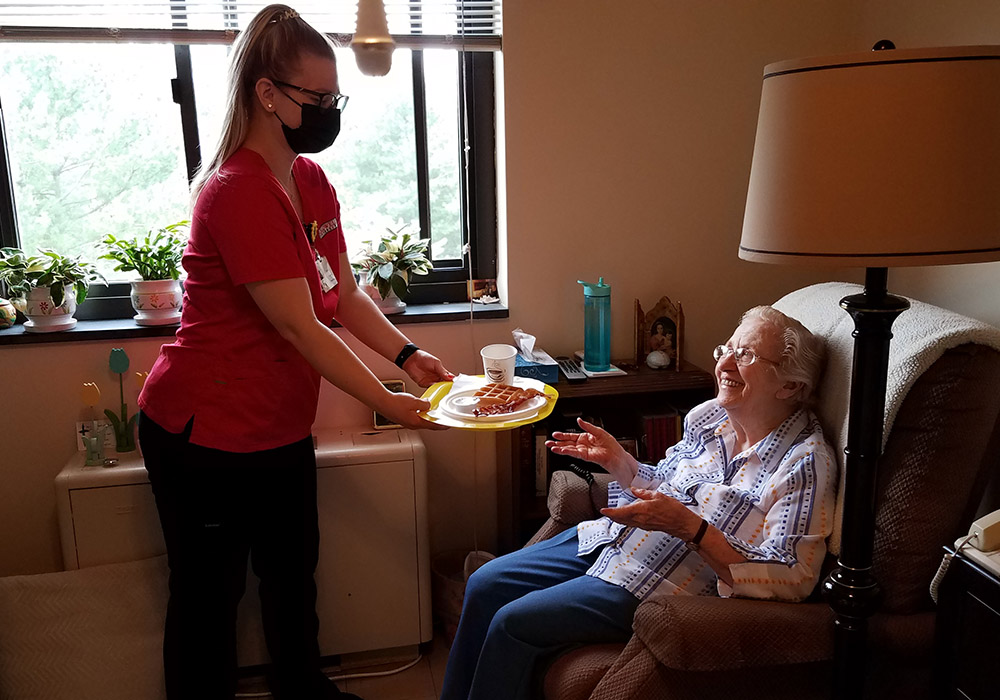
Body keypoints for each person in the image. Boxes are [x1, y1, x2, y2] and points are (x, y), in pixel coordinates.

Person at [136, 6, 452, 700]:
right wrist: (391, 405)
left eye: (335, 99)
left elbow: (342, 296)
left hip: (276, 427)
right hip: (204, 432)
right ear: (268, 93)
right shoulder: (237, 192)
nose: (328, 112)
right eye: (318, 99)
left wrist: (408, 356)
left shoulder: (309, 182)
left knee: (291, 579)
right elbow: (301, 328)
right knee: (207, 603)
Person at [440, 305, 836, 700]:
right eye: (725, 349)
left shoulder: (803, 463)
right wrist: (622, 464)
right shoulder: (711, 417)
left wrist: (691, 528)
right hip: (611, 539)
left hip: (656, 582)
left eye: (745, 355)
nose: (726, 364)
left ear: (790, 386)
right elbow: (665, 481)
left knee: (512, 623)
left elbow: (793, 576)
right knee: (485, 583)